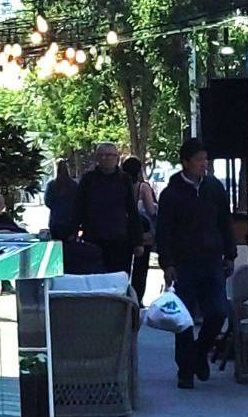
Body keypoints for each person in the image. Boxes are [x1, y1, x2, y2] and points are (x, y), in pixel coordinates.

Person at [156, 138, 238, 389]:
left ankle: (199, 351)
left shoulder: (214, 188)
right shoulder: (171, 194)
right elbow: (164, 231)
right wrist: (167, 263)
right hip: (184, 264)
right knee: (184, 318)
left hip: (212, 261)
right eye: (199, 160)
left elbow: (225, 222)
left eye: (206, 159)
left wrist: (230, 254)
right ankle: (185, 370)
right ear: (185, 162)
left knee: (218, 312)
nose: (204, 164)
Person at [72, 143, 142, 275]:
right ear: (97, 158)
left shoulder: (124, 179)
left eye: (110, 155)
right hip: (93, 239)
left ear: (117, 158)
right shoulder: (88, 179)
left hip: (119, 240)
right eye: (102, 155)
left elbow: (132, 211)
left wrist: (138, 241)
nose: (106, 158)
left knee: (118, 279)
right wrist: (73, 231)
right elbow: (78, 207)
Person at [121, 157, 159, 302]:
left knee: (123, 268)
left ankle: (123, 297)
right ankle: (137, 299)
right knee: (140, 270)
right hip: (143, 234)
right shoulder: (143, 187)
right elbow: (151, 210)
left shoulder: (120, 184)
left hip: (123, 232)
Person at [44, 160, 78, 242]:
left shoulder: (51, 184)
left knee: (57, 245)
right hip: (70, 220)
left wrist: (56, 207)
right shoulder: (73, 185)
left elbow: (47, 201)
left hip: (56, 220)